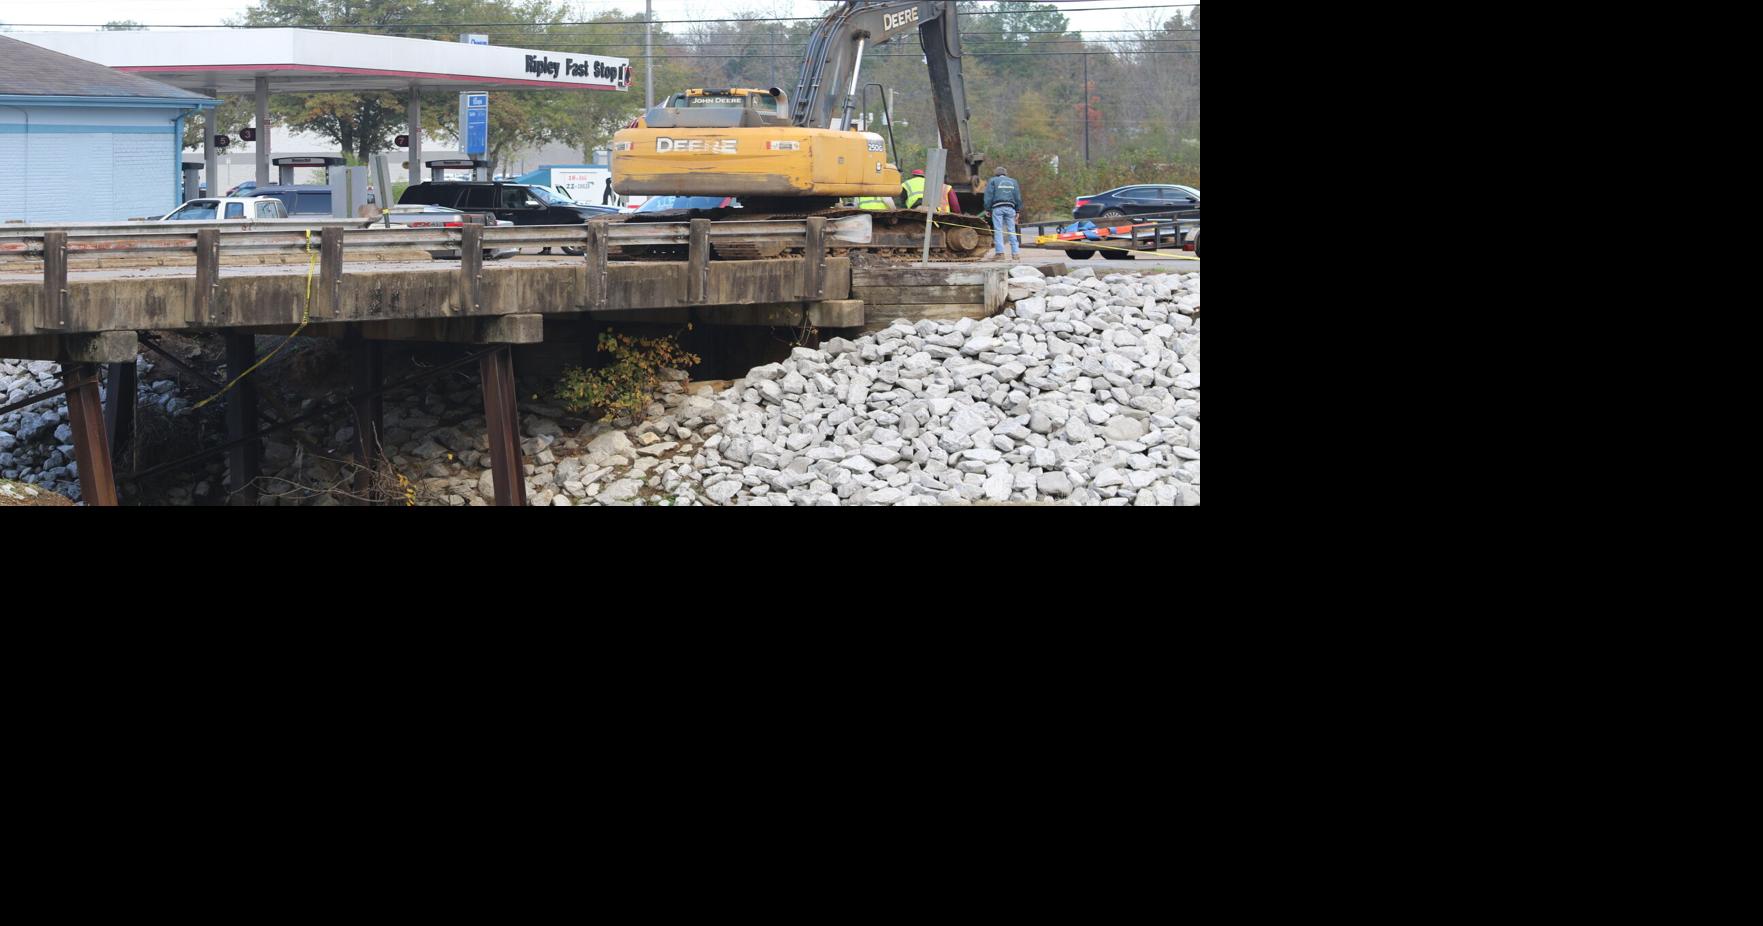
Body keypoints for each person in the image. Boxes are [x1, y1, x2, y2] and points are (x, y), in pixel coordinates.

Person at [982, 166, 1022, 259]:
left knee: (998, 230)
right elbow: (1017, 197)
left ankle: (1000, 253)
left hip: (998, 208)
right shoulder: (1013, 182)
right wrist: (1017, 210)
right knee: (1012, 230)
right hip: (1010, 208)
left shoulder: (993, 181)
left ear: (996, 174)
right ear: (1005, 174)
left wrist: (987, 209)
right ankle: (1015, 254)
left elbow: (988, 195)